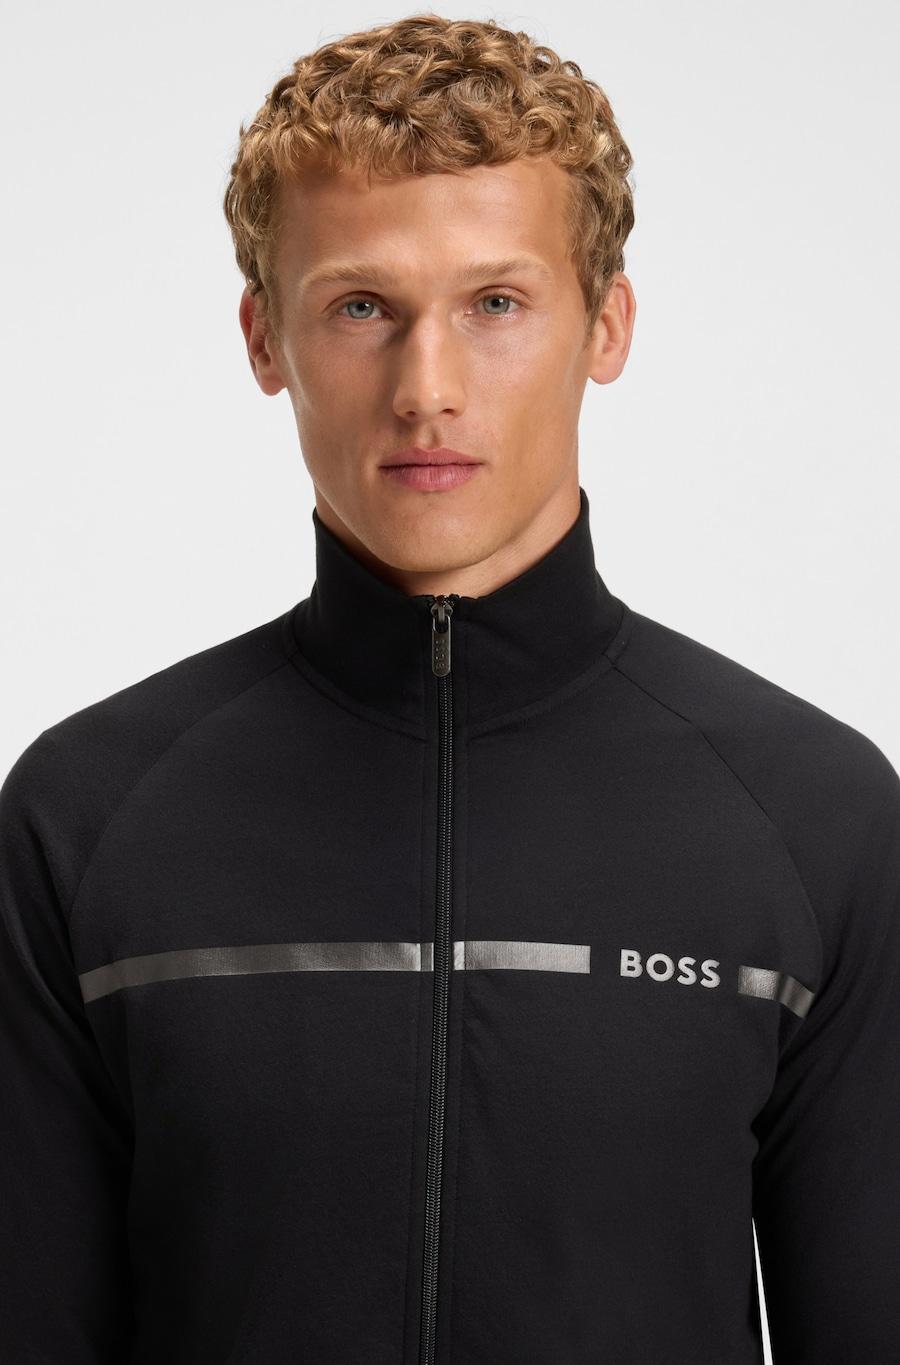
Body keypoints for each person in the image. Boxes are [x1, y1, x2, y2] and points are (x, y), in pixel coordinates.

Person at [1, 13, 898, 1363]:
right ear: (264, 338)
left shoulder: (817, 818)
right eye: (361, 306)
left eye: (496, 304)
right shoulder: (83, 820)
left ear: (606, 326)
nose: (427, 388)